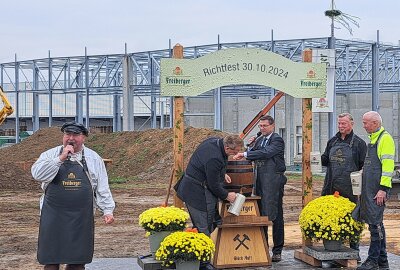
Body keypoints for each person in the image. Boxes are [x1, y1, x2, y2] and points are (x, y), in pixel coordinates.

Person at [31, 122, 115, 270]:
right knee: (51, 259)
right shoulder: (50, 155)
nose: (70, 138)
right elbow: (38, 175)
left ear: (83, 138)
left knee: (77, 260)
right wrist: (61, 158)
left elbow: (102, 186)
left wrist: (107, 210)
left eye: (75, 135)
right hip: (53, 216)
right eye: (67, 134)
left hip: (81, 217)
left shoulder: (94, 158)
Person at [175, 135, 243, 270]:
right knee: (203, 226)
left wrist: (221, 174)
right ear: (227, 147)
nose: (235, 155)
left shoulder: (215, 142)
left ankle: (203, 259)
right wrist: (227, 195)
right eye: (234, 152)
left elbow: (208, 166)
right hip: (195, 192)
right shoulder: (214, 158)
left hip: (198, 186)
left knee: (210, 222)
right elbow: (213, 185)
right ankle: (203, 264)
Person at [233, 115, 287, 263]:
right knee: (261, 213)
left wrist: (246, 153)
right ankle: (263, 247)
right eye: (260, 126)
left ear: (272, 126)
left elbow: (266, 153)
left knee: (275, 215)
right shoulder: (260, 139)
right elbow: (252, 156)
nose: (262, 128)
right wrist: (249, 147)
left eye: (264, 126)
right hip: (260, 181)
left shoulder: (277, 140)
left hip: (273, 182)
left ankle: (277, 250)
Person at [321, 112, 367, 259]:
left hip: (350, 189)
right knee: (333, 218)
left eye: (344, 124)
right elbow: (325, 160)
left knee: (353, 220)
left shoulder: (359, 143)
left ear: (351, 124)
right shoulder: (332, 141)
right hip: (332, 186)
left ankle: (355, 251)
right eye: (339, 123)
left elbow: (363, 167)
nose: (341, 126)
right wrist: (314, 158)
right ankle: (335, 248)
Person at [352, 111, 395, 270]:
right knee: (375, 225)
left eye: (365, 123)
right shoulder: (373, 139)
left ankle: (372, 260)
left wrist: (383, 189)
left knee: (375, 225)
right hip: (369, 191)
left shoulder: (385, 139)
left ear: (375, 123)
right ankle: (383, 262)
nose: (363, 126)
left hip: (377, 191)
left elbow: (388, 167)